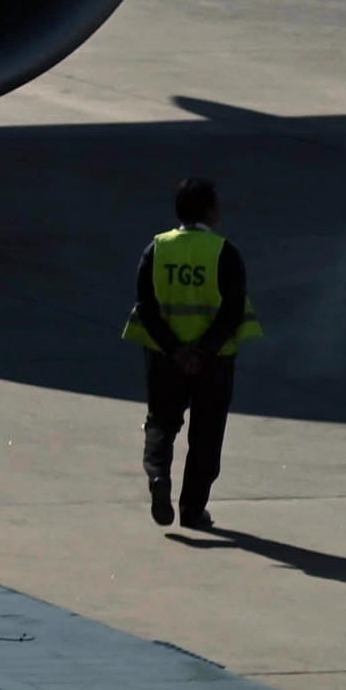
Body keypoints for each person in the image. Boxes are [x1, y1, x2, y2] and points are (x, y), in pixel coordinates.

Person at [125, 177, 258, 532]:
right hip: (213, 362)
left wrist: (175, 349)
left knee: (161, 423)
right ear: (211, 211)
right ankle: (192, 509)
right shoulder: (224, 253)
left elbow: (146, 307)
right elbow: (232, 311)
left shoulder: (156, 249)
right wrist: (203, 350)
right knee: (206, 433)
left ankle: (157, 476)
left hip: (164, 358)